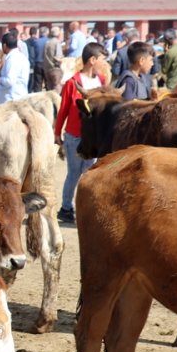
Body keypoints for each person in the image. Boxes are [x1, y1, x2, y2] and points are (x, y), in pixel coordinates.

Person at [54, 42, 108, 224]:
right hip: (75, 135)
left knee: (90, 173)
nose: (104, 63)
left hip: (93, 137)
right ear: (92, 60)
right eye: (102, 59)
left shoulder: (100, 81)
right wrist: (57, 133)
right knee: (74, 173)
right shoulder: (72, 83)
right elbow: (63, 109)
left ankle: (85, 207)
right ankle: (66, 208)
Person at [0, 31, 30, 103]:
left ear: (4, 46)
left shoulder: (12, 59)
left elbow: (9, 81)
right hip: (19, 96)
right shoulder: (21, 56)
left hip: (12, 99)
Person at [43, 26, 64, 91]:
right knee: (57, 88)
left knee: (49, 88)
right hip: (55, 68)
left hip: (47, 68)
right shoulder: (57, 43)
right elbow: (58, 56)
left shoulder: (47, 42)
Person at [28, 26, 48, 93]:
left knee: (37, 84)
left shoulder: (36, 42)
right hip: (46, 63)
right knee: (48, 83)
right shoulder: (49, 41)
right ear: (47, 32)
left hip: (38, 63)